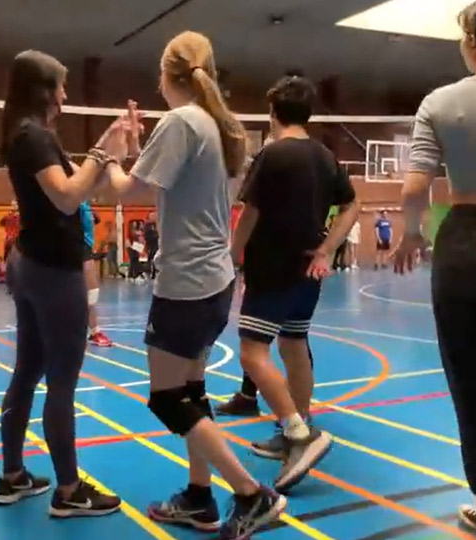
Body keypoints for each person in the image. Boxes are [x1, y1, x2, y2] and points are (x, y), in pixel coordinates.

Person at [101, 31, 286, 538]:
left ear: (166, 74)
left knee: (166, 398)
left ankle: (250, 494)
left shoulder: (181, 121)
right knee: (192, 391)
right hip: (216, 280)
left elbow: (123, 191)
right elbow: (171, 180)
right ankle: (200, 497)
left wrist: (110, 154)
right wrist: (140, 150)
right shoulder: (217, 125)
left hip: (185, 283)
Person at [0, 49, 129, 518]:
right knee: (61, 383)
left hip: (34, 265)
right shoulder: (32, 137)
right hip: (52, 271)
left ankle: (12, 476)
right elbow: (70, 198)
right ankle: (69, 490)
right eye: (61, 85)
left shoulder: (31, 136)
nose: (67, 94)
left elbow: (81, 185)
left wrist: (110, 147)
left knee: (28, 371)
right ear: (44, 90)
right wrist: (101, 153)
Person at [393, 2, 476, 537]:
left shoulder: (439, 102)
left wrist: (412, 234)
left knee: (472, 386)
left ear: (474, 43)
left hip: (463, 245)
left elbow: (415, 188)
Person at [229, 75, 359, 488]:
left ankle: (301, 436)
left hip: (274, 269)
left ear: (272, 114)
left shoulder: (272, 154)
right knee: (292, 343)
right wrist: (327, 249)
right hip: (308, 272)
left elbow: (250, 212)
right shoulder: (325, 156)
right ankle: (296, 426)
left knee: (252, 354)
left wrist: (233, 254)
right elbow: (353, 205)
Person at [80, 201, 113, 347]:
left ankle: (94, 332)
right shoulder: (71, 201)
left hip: (86, 248)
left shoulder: (85, 204)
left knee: (91, 294)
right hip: (73, 248)